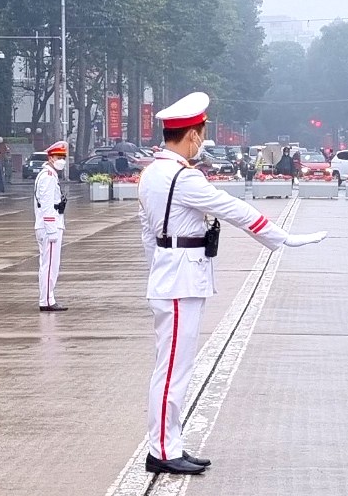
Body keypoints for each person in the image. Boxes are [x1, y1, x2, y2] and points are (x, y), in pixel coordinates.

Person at [138, 92, 326, 474]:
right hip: (179, 280)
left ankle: (169, 442)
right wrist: (280, 238)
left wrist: (155, 270)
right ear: (191, 135)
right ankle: (161, 449)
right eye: (202, 133)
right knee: (173, 368)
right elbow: (233, 208)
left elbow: (147, 233)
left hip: (172, 274)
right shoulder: (182, 177)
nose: (202, 140)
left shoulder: (153, 173)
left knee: (175, 366)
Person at [34, 141, 69, 312]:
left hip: (50, 224)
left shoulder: (49, 174)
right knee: (49, 266)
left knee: (49, 264)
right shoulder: (47, 176)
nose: (61, 160)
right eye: (58, 157)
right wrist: (52, 229)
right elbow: (47, 204)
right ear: (50, 157)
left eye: (63, 157)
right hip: (50, 226)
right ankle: (47, 300)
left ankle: (48, 297)